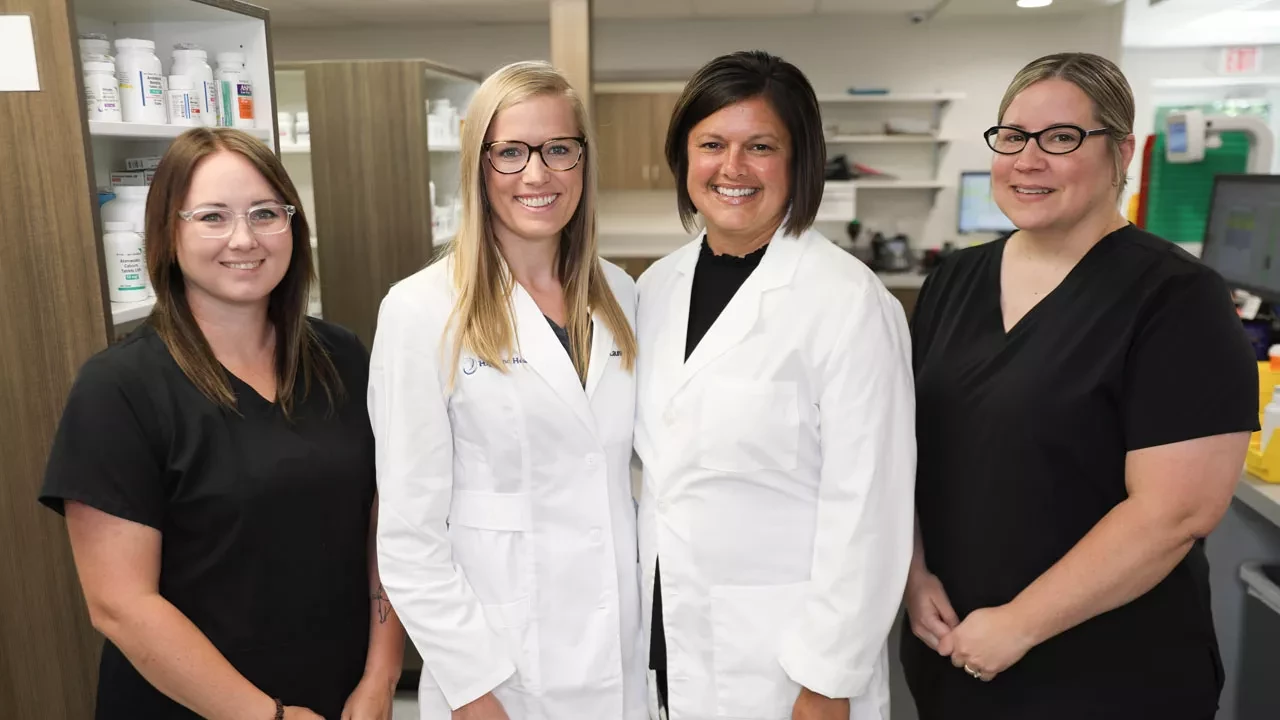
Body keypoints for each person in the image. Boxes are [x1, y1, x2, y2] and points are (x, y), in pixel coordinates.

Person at [900, 52, 1259, 720]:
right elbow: (908, 448)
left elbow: (1175, 512)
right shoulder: (953, 280)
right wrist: (914, 575)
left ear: (1122, 151)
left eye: (1061, 138)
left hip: (1105, 673)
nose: (1027, 159)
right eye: (1012, 137)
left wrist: (1019, 624)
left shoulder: (1178, 299)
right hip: (953, 654)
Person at [39, 127, 405, 720]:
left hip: (340, 696)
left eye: (266, 213)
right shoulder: (119, 390)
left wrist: (381, 678)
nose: (244, 238)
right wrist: (270, 717)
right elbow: (120, 603)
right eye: (212, 216)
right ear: (167, 232)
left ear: (293, 225)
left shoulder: (343, 358)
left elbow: (385, 525)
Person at [635, 50, 916, 720]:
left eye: (760, 146)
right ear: (684, 158)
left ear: (799, 161)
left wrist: (828, 678)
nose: (731, 168)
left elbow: (871, 509)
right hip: (667, 637)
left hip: (787, 664)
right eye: (711, 144)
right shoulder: (653, 289)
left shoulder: (847, 302)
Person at [368, 61, 645, 720]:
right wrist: (473, 690)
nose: (537, 174)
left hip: (618, 654)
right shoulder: (421, 309)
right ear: (479, 165)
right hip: (499, 667)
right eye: (511, 152)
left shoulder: (622, 295)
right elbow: (409, 535)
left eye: (558, 149)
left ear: (582, 159)